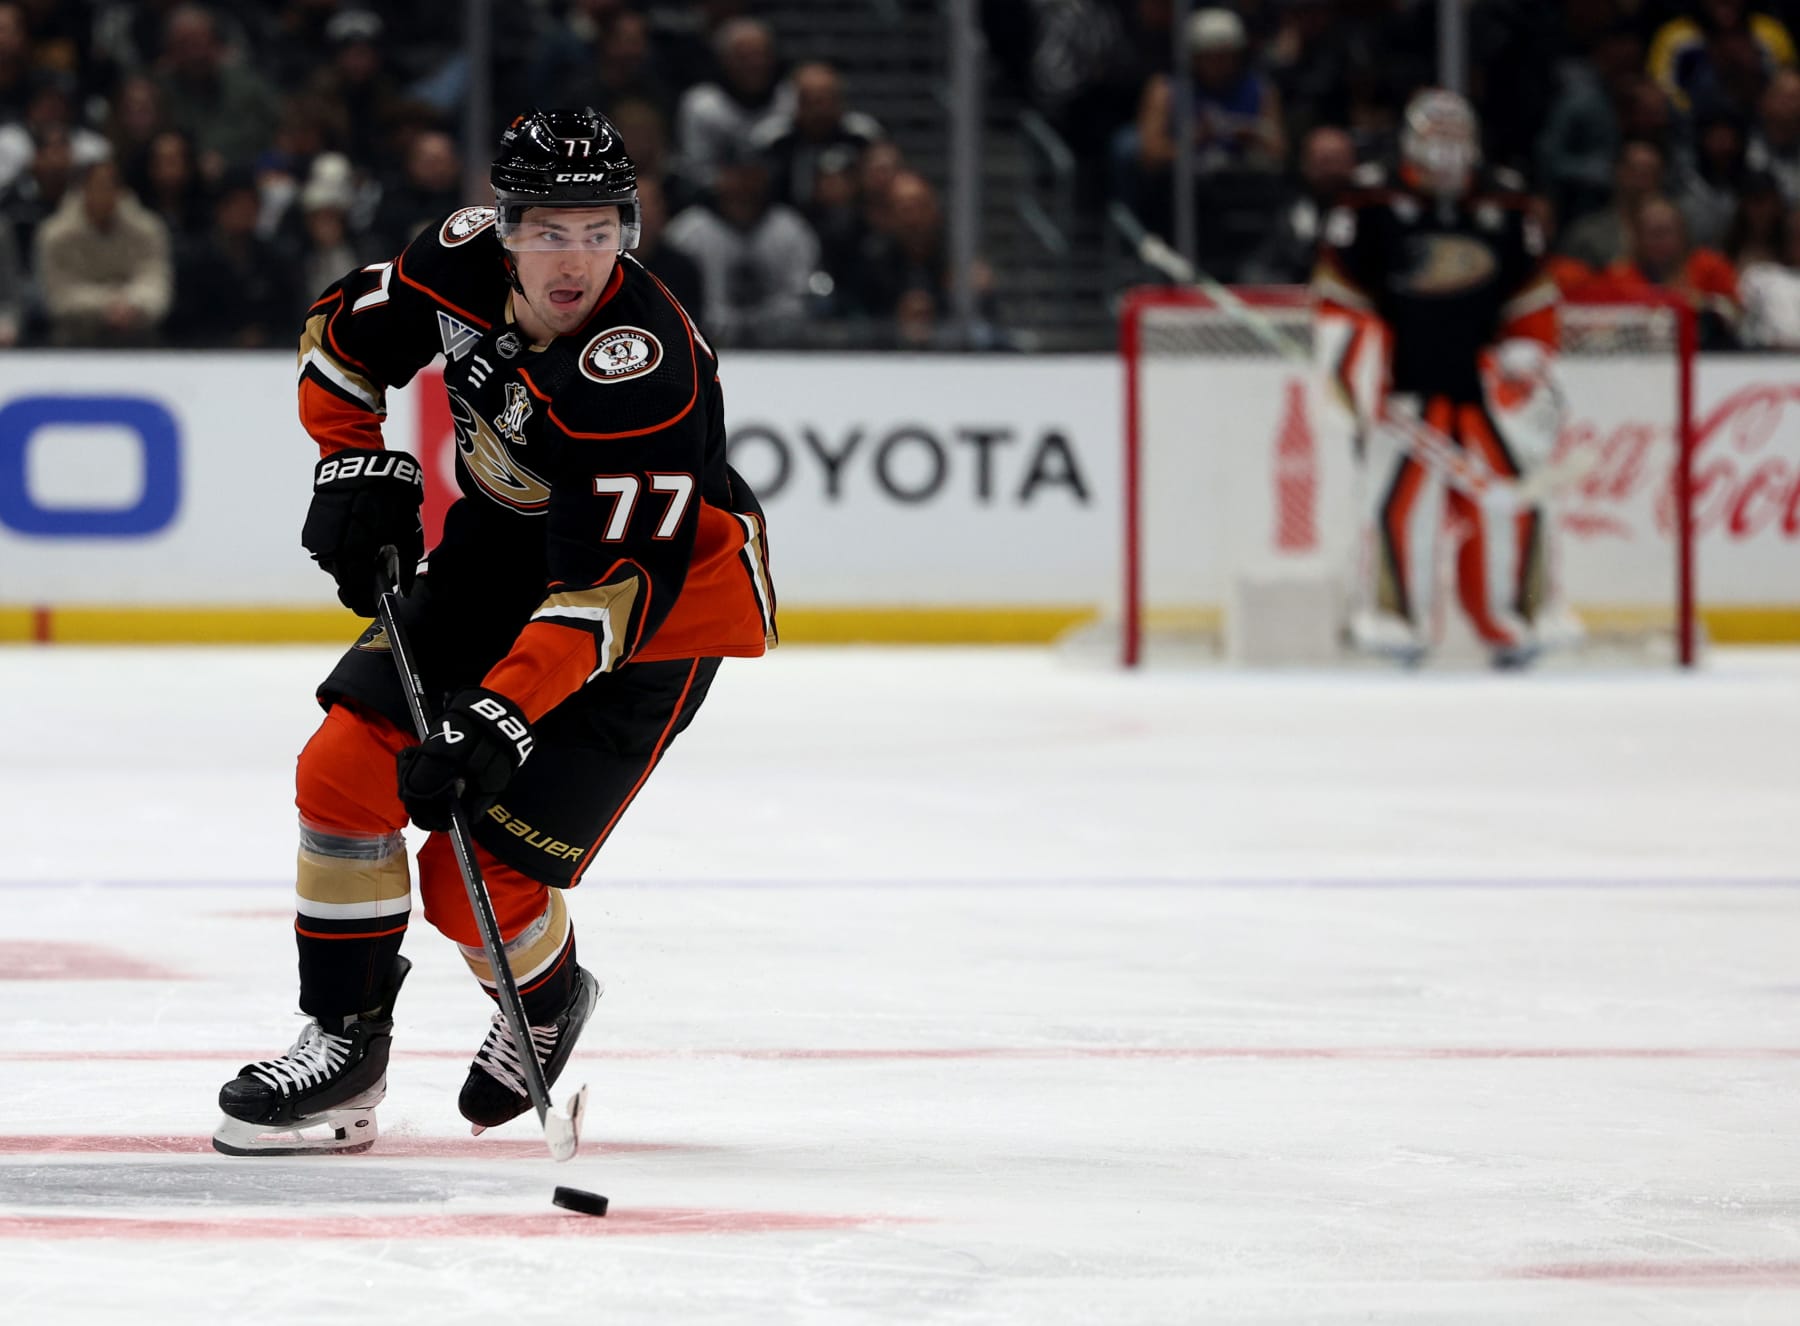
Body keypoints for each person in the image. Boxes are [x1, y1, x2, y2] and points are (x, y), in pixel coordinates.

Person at [211, 106, 777, 1157]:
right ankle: (343, 1050)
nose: (576, 260)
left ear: (630, 233)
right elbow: (337, 343)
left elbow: (613, 589)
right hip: (498, 555)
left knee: (473, 880)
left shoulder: (646, 369)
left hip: (652, 613)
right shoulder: (455, 262)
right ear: (504, 226)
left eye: (600, 231)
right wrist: (350, 461)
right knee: (342, 771)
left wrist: (499, 719)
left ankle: (550, 998)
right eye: (551, 232)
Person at [1314, 89, 1565, 669]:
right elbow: (1339, 297)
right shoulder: (1368, 204)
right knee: (1398, 508)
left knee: (1512, 505)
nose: (1447, 157)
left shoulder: (1509, 206)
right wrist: (1353, 361)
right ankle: (1394, 621)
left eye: (1457, 144)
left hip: (1486, 392)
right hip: (1402, 394)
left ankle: (1514, 622)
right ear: (1410, 142)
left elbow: (1533, 300)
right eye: (1435, 142)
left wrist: (1527, 356)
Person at [34, 156, 172, 347]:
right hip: (74, 338)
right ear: (82, 190)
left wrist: (132, 304)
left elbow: (156, 283)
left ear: (121, 191)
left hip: (137, 334)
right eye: (97, 185)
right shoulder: (55, 235)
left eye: (110, 186)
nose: (104, 193)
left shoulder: (147, 230)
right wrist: (107, 305)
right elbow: (58, 296)